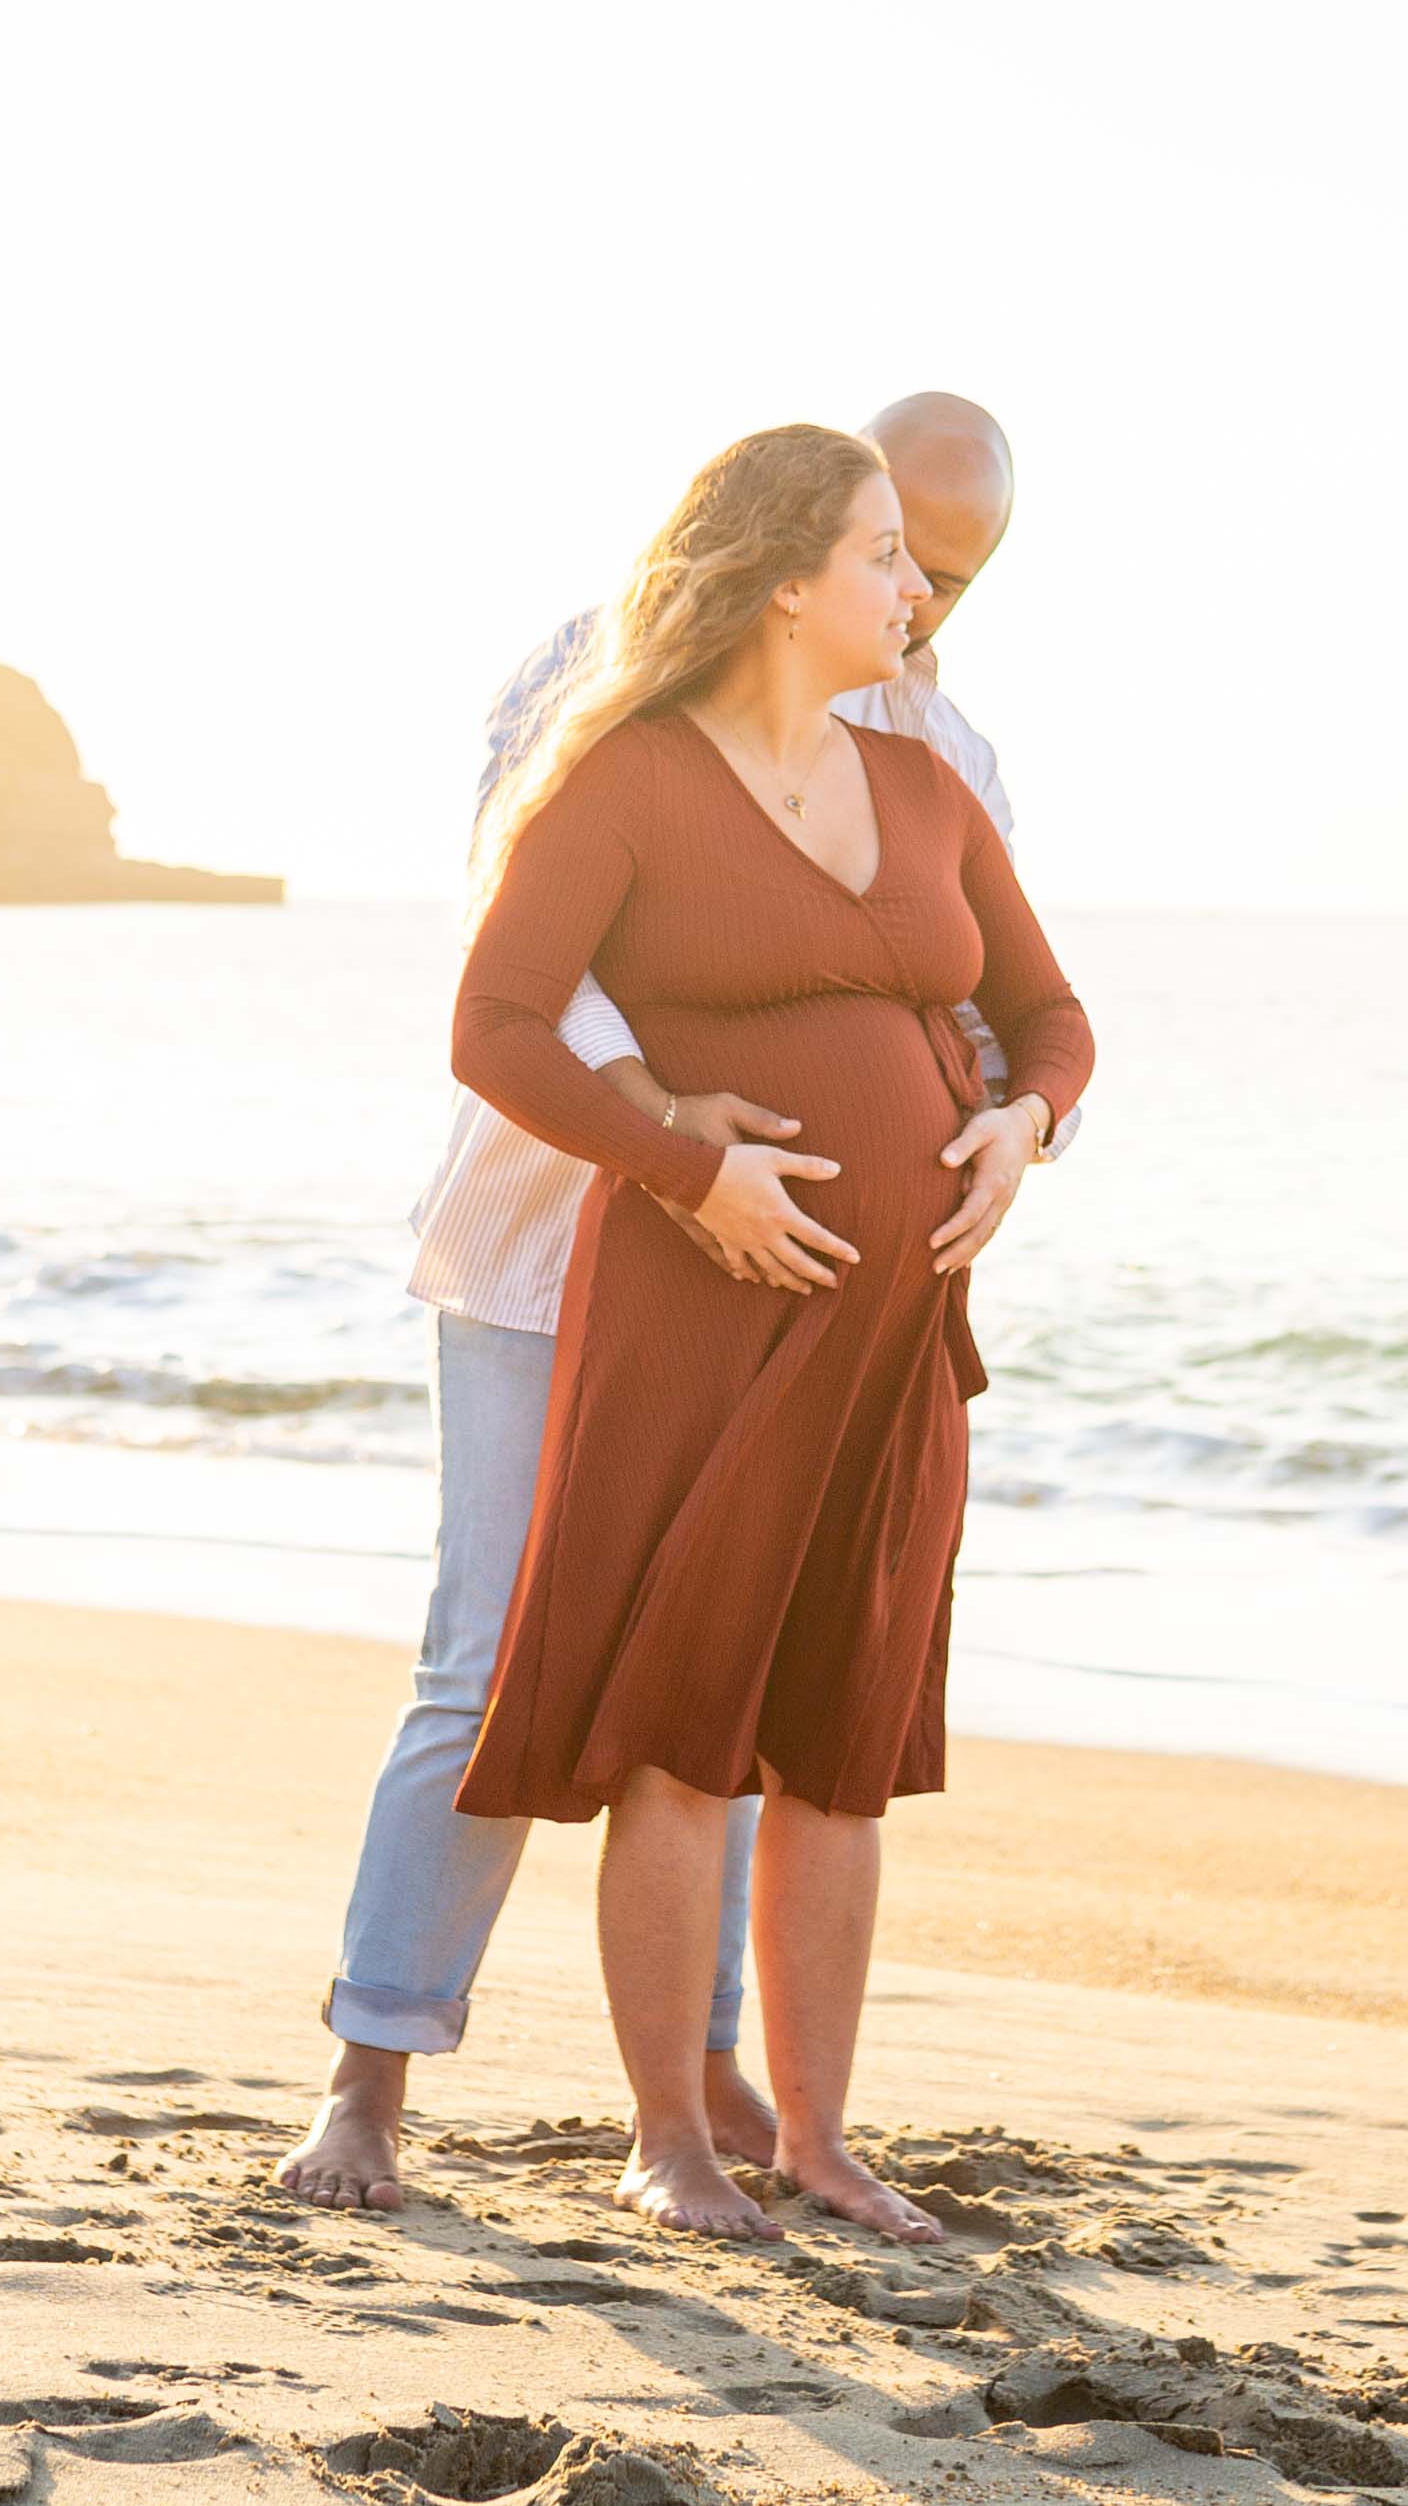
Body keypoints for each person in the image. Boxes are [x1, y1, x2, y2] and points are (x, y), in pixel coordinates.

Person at [281, 395, 1044, 2216]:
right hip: (558, 1244)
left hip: (788, 1286)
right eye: (895, 554)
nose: (920, 601)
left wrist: (1003, 1126)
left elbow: (983, 1003)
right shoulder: (598, 673)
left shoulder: (943, 748)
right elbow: (530, 956)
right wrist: (679, 1138)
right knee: (490, 1652)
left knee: (735, 1678)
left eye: (955, 576)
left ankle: (696, 2081)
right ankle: (371, 2070)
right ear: (818, 524)